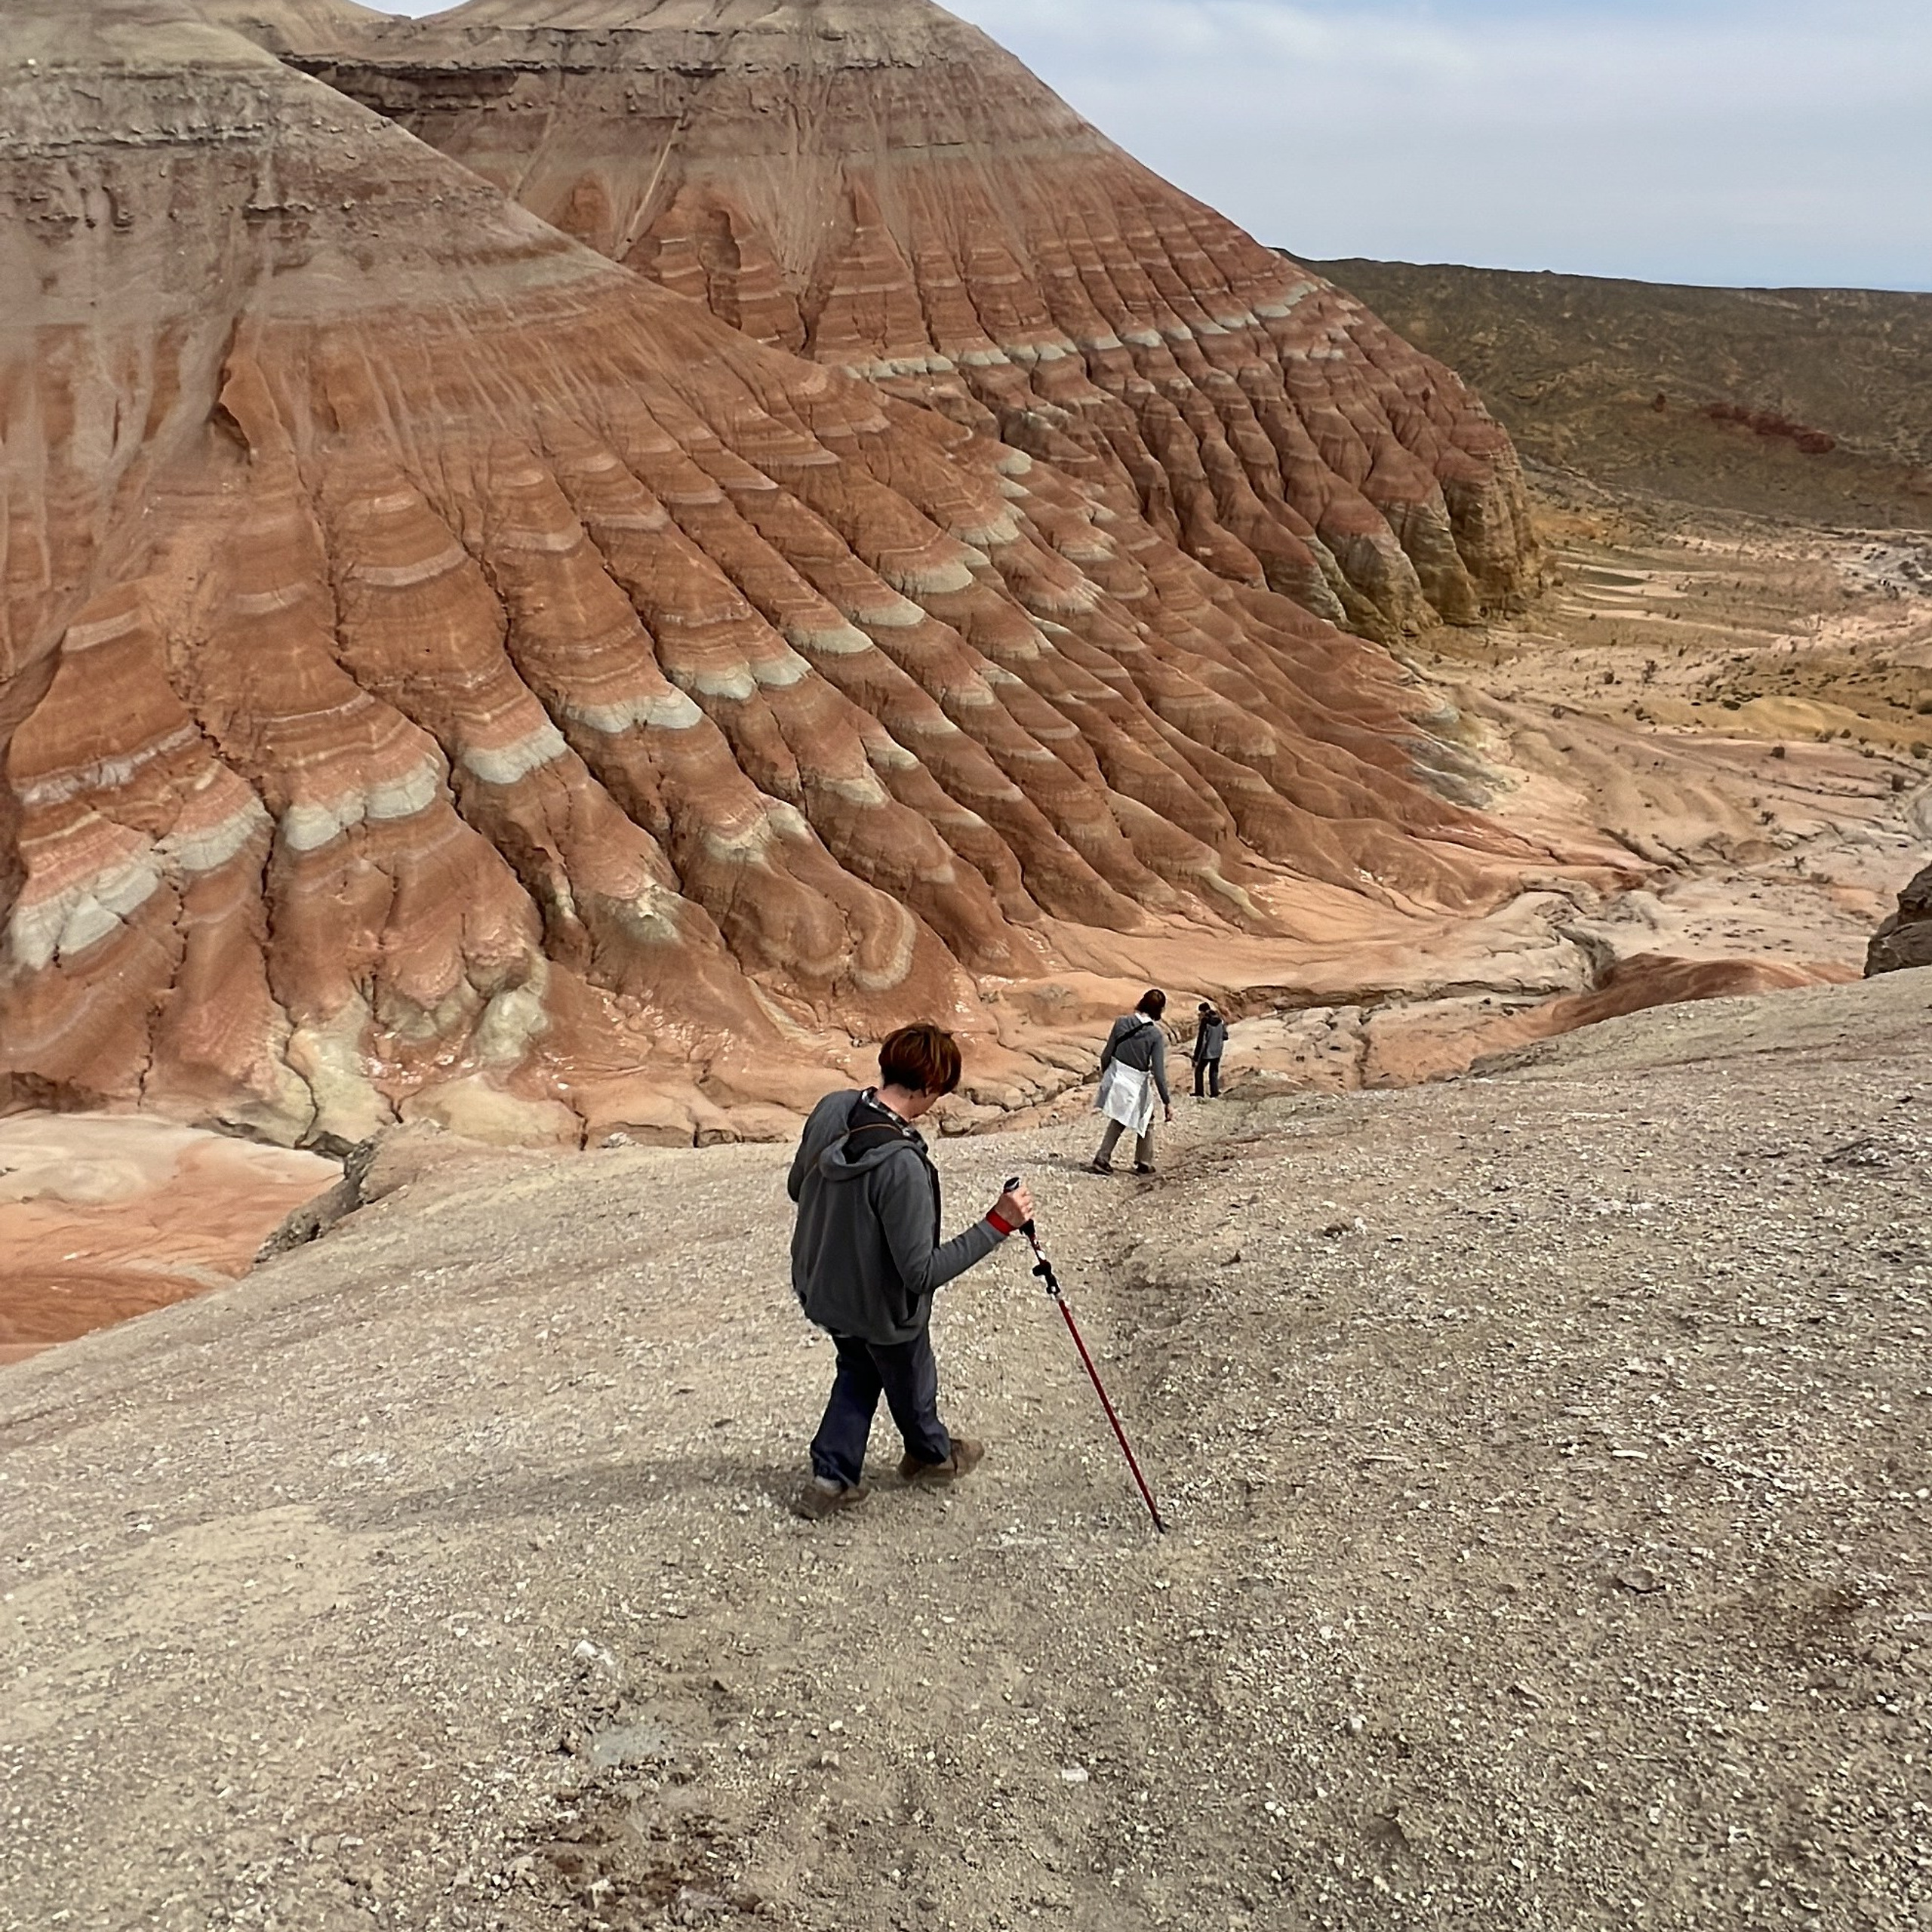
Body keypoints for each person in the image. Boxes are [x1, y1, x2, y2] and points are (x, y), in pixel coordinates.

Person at [788, 1023, 1033, 1520]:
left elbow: (800, 1188)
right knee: (911, 1379)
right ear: (927, 1088)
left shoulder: (833, 1108)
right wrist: (997, 1224)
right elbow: (920, 1272)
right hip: (882, 1308)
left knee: (858, 1369)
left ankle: (831, 1479)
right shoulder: (902, 1166)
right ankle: (930, 1456)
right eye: (938, 1091)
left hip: (824, 1286)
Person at [1089, 989, 1172, 1176]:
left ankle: (1108, 1158)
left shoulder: (1121, 1023)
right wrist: (1167, 1101)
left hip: (1117, 1076)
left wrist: (1108, 1076)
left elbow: (1106, 1054)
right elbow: (1159, 1072)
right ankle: (1139, 1161)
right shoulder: (1155, 1035)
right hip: (1136, 1081)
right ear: (1159, 1010)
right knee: (1144, 1117)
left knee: (1124, 1117)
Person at [1192, 1001, 1228, 1099]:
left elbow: (1201, 1040)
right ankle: (1214, 1093)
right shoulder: (1220, 1020)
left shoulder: (1205, 1021)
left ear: (1203, 1011)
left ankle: (1199, 1093)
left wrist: (1196, 1058)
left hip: (1207, 1052)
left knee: (1199, 1071)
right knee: (1214, 1072)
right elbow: (1225, 1036)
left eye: (1200, 1013)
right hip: (1218, 1051)